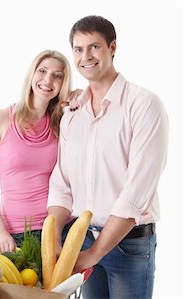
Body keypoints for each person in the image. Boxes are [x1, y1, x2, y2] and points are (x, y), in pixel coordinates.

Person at [47, 15, 169, 298]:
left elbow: (137, 191)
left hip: (129, 246)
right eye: (78, 49)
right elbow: (62, 183)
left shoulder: (143, 105)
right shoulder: (73, 113)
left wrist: (94, 253)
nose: (85, 57)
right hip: (81, 240)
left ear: (112, 47)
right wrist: (54, 236)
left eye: (94, 47)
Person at [0, 50, 72, 253]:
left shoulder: (61, 123)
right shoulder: (0, 119)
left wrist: (78, 95)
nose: (48, 80)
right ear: (32, 74)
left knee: (61, 287)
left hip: (56, 232)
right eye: (42, 71)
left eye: (57, 75)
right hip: (14, 234)